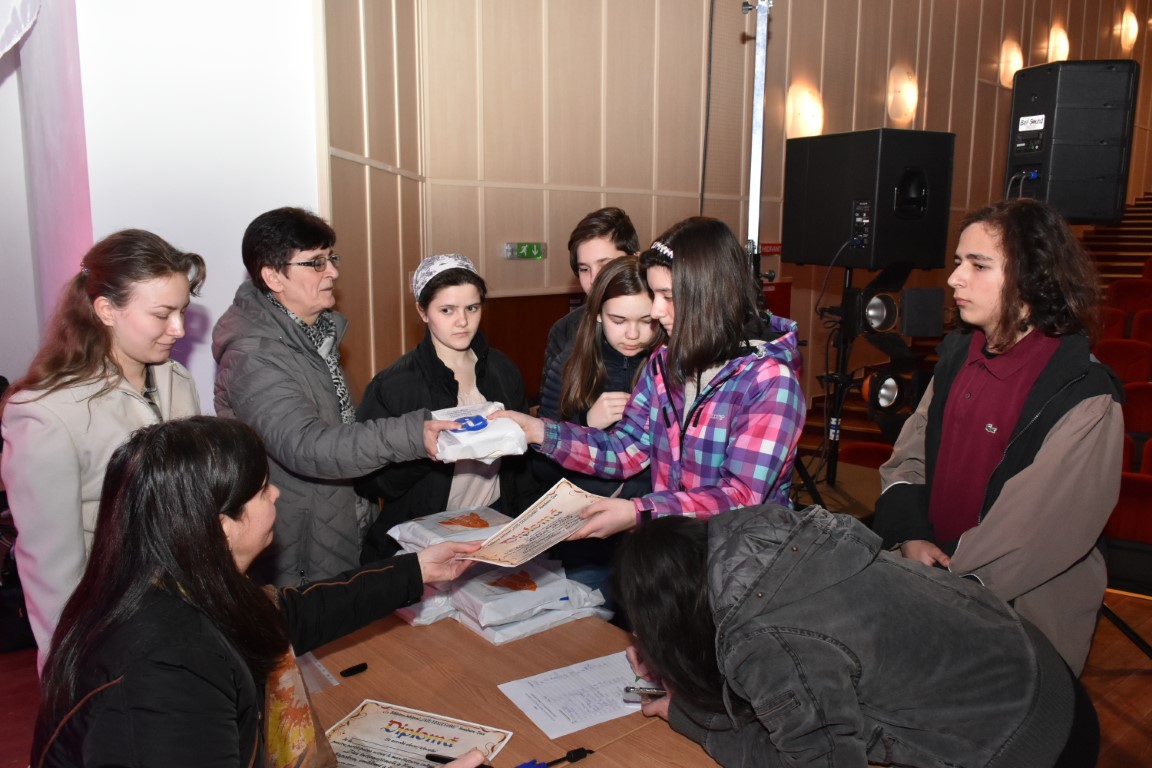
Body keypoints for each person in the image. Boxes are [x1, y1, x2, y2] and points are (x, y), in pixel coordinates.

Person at [31, 416, 486, 768]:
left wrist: (416, 569)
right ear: (221, 526)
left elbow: (288, 615)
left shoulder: (171, 586)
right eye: (262, 488)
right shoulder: (166, 668)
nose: (276, 495)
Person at [615, 508, 1100, 768]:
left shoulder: (764, 640)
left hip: (1029, 744)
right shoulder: (770, 543)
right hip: (1040, 670)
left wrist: (691, 717)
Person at [871, 198, 1125, 675]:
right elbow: (908, 459)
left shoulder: (1084, 393)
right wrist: (910, 536)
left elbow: (1035, 531)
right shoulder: (956, 357)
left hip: (1017, 617)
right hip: (928, 584)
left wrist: (945, 582)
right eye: (957, 262)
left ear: (1033, 277)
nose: (955, 278)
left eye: (978, 264)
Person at [496, 216, 805, 540]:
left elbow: (740, 498)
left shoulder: (770, 381)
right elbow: (625, 449)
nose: (656, 311)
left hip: (744, 558)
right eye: (654, 295)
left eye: (667, 296)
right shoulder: (665, 361)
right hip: (675, 549)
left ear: (708, 294)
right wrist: (538, 431)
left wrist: (639, 511)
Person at [213, 207, 459, 586]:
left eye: (331, 258)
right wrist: (413, 433)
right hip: (299, 538)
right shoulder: (253, 356)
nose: (333, 272)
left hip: (336, 515)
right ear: (273, 276)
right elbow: (308, 445)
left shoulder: (314, 332)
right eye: (316, 263)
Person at [1, 229, 204, 672]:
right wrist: (71, 674)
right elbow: (51, 574)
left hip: (187, 616)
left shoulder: (177, 380)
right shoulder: (45, 413)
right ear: (106, 310)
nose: (179, 329)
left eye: (183, 311)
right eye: (162, 314)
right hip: (114, 638)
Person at [355, 254, 540, 561]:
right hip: (425, 536)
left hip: (494, 524)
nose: (462, 321)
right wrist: (425, 450)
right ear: (422, 311)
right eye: (447, 310)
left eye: (472, 308)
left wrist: (527, 526)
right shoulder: (392, 386)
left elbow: (522, 465)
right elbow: (370, 481)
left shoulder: (502, 370)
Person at [538, 207, 639, 420]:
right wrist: (585, 423)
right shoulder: (565, 331)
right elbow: (548, 425)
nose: (594, 280)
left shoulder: (666, 325)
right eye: (584, 269)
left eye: (606, 265)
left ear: (635, 259)